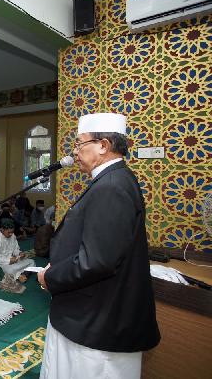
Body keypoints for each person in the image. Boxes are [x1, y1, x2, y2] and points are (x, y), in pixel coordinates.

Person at [38, 112, 160, 379]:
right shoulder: (113, 180)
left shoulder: (112, 186)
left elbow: (96, 261)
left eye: (80, 144)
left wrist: (50, 276)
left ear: (103, 146)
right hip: (93, 310)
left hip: (98, 319)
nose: (76, 152)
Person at [0, 218, 34, 283]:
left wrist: (20, 253)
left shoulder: (12, 236)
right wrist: (8, 261)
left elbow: (16, 249)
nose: (10, 234)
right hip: (2, 264)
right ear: (2, 229)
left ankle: (23, 275)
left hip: (14, 261)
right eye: (9, 232)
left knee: (31, 261)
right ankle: (19, 276)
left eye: (12, 232)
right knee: (10, 270)